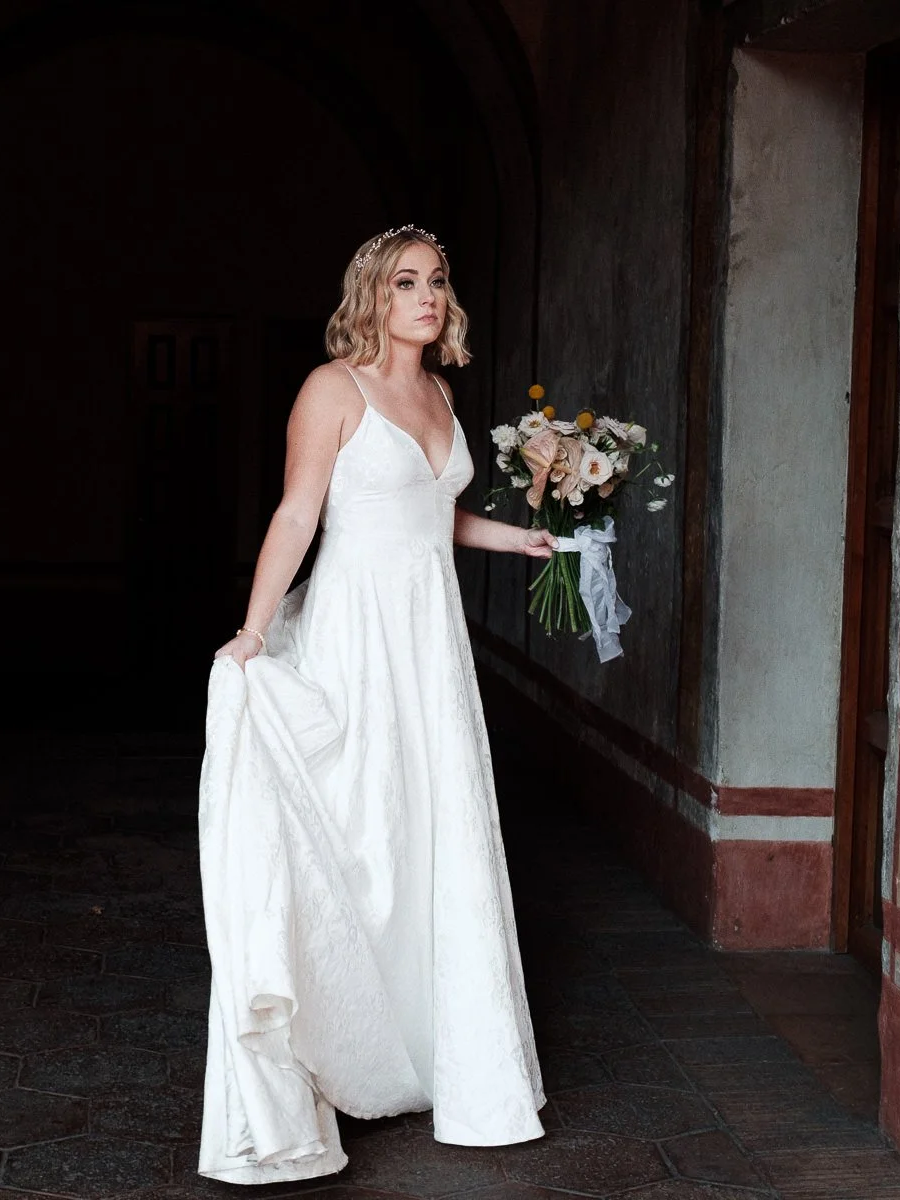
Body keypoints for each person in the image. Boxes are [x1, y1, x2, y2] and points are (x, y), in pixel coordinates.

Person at [197, 226, 553, 1183]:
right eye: (406, 282)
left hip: (428, 650)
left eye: (436, 281)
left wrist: (515, 541)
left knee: (429, 834)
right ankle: (337, 1042)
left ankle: (437, 1052)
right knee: (360, 831)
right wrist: (256, 631)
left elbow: (428, 515)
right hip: (356, 641)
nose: (426, 296)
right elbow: (298, 513)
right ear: (373, 295)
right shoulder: (333, 389)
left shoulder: (438, 391)